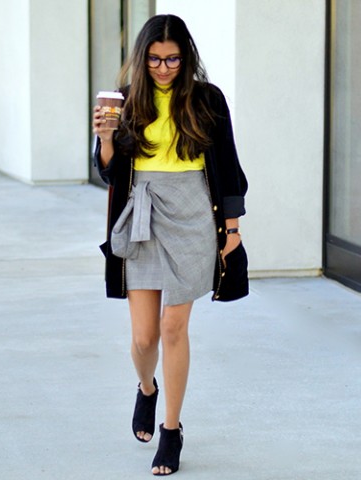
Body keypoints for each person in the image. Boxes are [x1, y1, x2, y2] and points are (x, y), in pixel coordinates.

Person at [92, 14, 248, 476]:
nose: (163, 68)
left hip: (194, 214)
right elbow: (110, 171)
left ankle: (172, 429)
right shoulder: (127, 101)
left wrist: (232, 229)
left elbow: (227, 165)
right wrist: (105, 139)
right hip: (142, 211)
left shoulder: (207, 99)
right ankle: (146, 389)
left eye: (173, 59)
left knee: (173, 328)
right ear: (142, 58)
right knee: (144, 337)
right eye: (155, 59)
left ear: (186, 58)